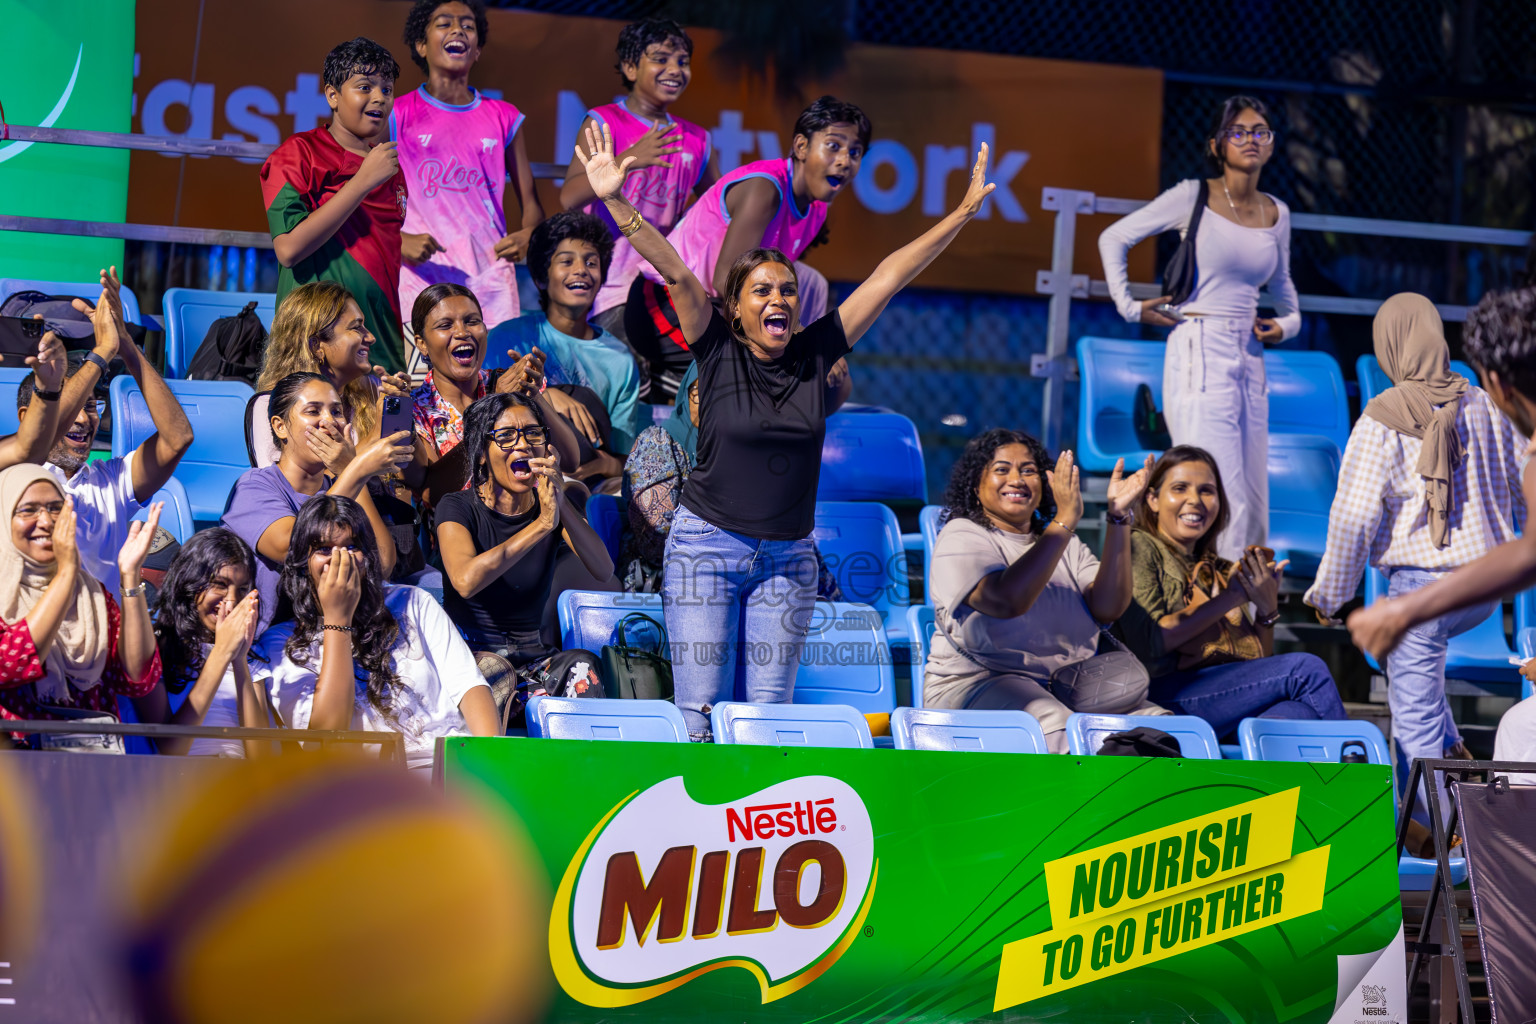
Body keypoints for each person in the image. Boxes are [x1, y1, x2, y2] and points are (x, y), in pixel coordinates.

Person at [578, 120, 992, 740]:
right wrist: (615, 200)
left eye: (788, 289)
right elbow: (675, 269)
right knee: (698, 720)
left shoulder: (814, 352)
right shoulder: (715, 347)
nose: (779, 298)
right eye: (762, 289)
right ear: (737, 306)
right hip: (706, 551)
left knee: (766, 724)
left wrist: (959, 214)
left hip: (788, 558)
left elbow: (887, 276)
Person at [1304, 295, 1524, 786]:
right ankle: (1455, 752)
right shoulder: (1483, 403)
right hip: (1482, 592)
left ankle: (1446, 839)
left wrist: (1332, 596)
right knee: (1420, 693)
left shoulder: (1381, 417)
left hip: (1422, 592)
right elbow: (1523, 483)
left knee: (1413, 724)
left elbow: (1352, 517)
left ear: (1390, 345)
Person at [1098, 95, 1300, 560]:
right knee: (1213, 485)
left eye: (1260, 132)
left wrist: (1283, 327)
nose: (1250, 139)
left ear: (1270, 146)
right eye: (1238, 131)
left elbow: (1287, 295)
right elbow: (1114, 237)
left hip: (1250, 354)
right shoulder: (1194, 195)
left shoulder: (1278, 212)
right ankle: (1206, 608)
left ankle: (1247, 609)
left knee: (1252, 493)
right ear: (1217, 144)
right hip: (1199, 347)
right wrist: (1130, 307)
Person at [622, 95, 868, 403]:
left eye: (855, 152)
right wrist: (796, 334)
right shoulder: (765, 190)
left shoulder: (817, 210)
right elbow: (725, 279)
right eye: (833, 146)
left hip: (721, 312)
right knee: (771, 378)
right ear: (802, 147)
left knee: (829, 386)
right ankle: (664, 382)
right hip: (663, 305)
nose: (845, 160)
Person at [924, 431, 1156, 752]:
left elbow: (1109, 607)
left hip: (1072, 687)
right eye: (1001, 469)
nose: (1017, 479)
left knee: (1158, 726)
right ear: (976, 486)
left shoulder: (1065, 543)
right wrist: (1063, 522)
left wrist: (1118, 518)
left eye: (1028, 470)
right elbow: (1006, 600)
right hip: (976, 685)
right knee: (1052, 723)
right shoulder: (962, 534)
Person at [252, 495, 498, 771]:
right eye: (323, 549)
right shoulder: (280, 644)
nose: (339, 559)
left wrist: (491, 764)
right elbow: (325, 736)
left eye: (351, 546)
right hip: (368, 786)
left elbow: (468, 686)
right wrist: (338, 619)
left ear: (366, 556)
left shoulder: (413, 602)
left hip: (451, 768)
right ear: (302, 562)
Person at [1115, 446, 1346, 737]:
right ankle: (1361, 777)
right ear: (1153, 499)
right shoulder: (1140, 546)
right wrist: (1233, 598)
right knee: (1304, 668)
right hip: (1160, 694)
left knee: (1297, 716)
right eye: (1180, 488)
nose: (1195, 500)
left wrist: (1266, 610)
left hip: (1220, 693)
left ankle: (1268, 785)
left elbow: (1257, 665)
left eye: (1207, 491)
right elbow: (1151, 641)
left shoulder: (1220, 569)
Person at [16, 268, 192, 593]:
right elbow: (42, 434)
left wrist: (125, 344)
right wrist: (102, 353)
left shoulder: (110, 482)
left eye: (92, 406)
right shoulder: (14, 478)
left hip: (104, 639)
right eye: (77, 404)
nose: (84, 420)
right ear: (26, 416)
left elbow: (177, 437)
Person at [435, 393, 610, 717]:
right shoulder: (457, 507)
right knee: (492, 675)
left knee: (583, 667)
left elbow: (603, 568)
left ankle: (581, 767)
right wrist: (542, 526)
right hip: (471, 662)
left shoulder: (548, 507)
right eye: (505, 436)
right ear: (482, 454)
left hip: (533, 661)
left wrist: (560, 504)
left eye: (533, 433)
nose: (523, 444)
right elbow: (465, 580)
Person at [618, 362, 846, 598]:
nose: (708, 404)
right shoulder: (658, 443)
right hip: (668, 579)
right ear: (686, 395)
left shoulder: (751, 453)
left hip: (751, 574)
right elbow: (655, 540)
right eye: (698, 393)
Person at [559, 16, 718, 345]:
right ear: (631, 68)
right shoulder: (604, 121)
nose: (674, 69)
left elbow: (715, 211)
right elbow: (568, 198)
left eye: (682, 62)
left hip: (665, 288)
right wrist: (628, 160)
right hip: (612, 285)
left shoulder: (698, 139)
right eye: (660, 59)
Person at [394, 0, 544, 334]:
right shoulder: (396, 114)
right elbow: (363, 196)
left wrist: (529, 235)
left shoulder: (504, 116)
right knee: (419, 382)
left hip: (490, 279)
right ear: (421, 44)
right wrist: (398, 238)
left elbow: (531, 203)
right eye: (444, 23)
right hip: (421, 276)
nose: (458, 30)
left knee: (496, 381)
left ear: (477, 51)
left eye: (468, 25)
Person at [261, 37, 410, 374]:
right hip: (314, 343)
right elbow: (288, 249)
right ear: (332, 95)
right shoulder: (298, 154)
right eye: (365, 87)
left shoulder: (389, 165)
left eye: (387, 89)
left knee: (394, 427)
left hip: (380, 344)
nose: (379, 97)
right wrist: (361, 182)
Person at [222, 372, 408, 631]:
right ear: (280, 426)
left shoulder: (344, 484)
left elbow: (384, 564)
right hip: (267, 640)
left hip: (332, 632)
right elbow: (291, 547)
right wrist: (355, 470)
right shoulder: (254, 486)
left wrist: (350, 471)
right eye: (313, 411)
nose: (328, 422)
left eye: (336, 412)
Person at [0, 465, 163, 735]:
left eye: (55, 508)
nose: (46, 521)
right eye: (29, 510)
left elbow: (136, 678)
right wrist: (66, 573)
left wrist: (130, 577)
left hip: (88, 765)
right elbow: (10, 664)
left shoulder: (91, 595)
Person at [404, 283, 590, 503]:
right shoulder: (415, 408)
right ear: (422, 344)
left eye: (472, 321)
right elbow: (432, 494)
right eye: (445, 325)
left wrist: (534, 396)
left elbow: (570, 460)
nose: (462, 332)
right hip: (463, 534)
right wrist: (492, 408)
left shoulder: (510, 383)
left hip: (535, 520)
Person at [487, 212, 642, 454]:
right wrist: (545, 395)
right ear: (541, 277)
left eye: (591, 262)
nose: (581, 270)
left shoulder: (620, 360)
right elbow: (480, 413)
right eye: (567, 261)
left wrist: (602, 465)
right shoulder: (505, 339)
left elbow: (622, 460)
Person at [149, 529, 269, 757]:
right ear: (189, 583)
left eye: (242, 589)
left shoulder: (252, 655)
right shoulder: (160, 647)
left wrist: (239, 660)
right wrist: (221, 653)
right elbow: (171, 749)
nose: (231, 601)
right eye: (220, 584)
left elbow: (261, 756)